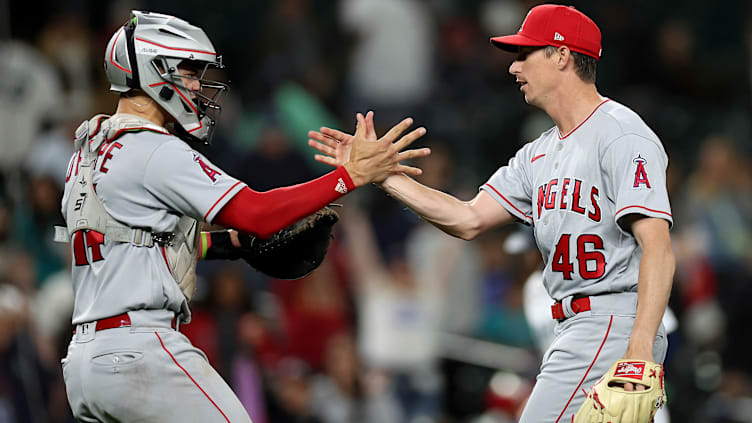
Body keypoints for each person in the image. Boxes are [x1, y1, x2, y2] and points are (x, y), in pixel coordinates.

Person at [56, 10, 428, 423]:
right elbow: (258, 212)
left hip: (85, 363)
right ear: (152, 68)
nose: (198, 86)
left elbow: (143, 244)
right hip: (141, 352)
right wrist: (349, 177)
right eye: (188, 71)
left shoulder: (88, 153)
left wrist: (229, 245)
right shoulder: (153, 149)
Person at [309, 4, 674, 421]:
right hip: (575, 327)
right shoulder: (537, 154)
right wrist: (381, 177)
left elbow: (658, 247)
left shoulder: (621, 134)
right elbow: (467, 218)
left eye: (524, 54)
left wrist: (639, 348)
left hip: (611, 322)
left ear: (561, 55)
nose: (513, 68)